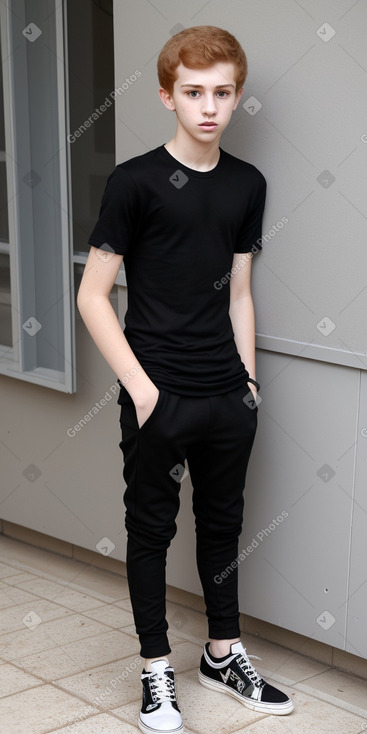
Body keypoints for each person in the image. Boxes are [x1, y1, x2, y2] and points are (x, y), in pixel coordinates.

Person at [77, 24, 294, 734]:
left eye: (223, 93)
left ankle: (222, 654)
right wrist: (142, 391)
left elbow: (237, 292)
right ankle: (154, 670)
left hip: (226, 396)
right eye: (194, 92)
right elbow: (92, 295)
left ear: (236, 98)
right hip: (158, 395)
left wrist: (249, 386)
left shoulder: (246, 184)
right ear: (168, 95)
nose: (209, 106)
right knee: (150, 531)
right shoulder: (135, 181)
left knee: (223, 528)